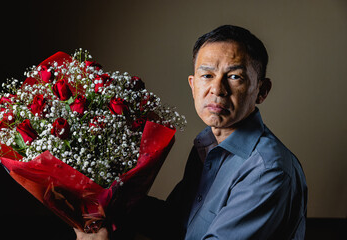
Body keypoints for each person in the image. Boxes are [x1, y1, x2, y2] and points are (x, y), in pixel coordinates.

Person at [75, 25, 308, 240]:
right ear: (193, 85)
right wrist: (104, 200)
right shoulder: (208, 145)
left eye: (235, 76)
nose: (217, 89)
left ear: (262, 91)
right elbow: (175, 223)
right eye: (207, 75)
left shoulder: (267, 171)